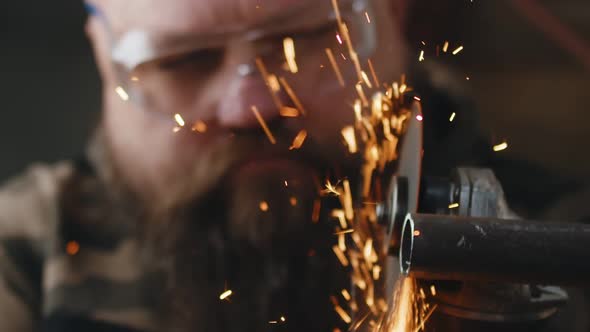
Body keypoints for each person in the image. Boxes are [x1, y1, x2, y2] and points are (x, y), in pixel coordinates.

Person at [0, 0, 499, 331]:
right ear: (106, 62)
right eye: (182, 60)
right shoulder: (21, 259)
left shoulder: (557, 239)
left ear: (392, 15)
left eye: (307, 39)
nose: (252, 106)